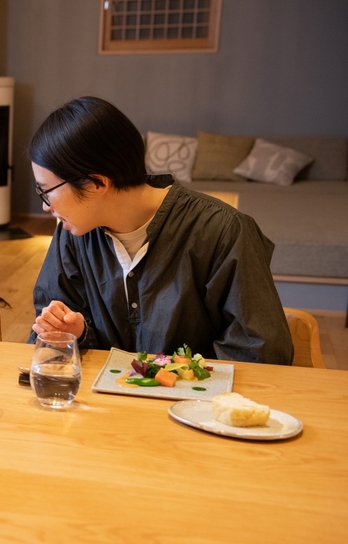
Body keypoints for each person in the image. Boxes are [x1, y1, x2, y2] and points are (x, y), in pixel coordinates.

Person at [27, 96, 293, 364]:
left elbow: (260, 351)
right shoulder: (73, 234)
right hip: (99, 402)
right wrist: (77, 333)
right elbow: (51, 335)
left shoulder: (223, 232)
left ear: (97, 183)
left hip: (195, 404)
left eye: (46, 190)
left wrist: (167, 378)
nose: (45, 205)